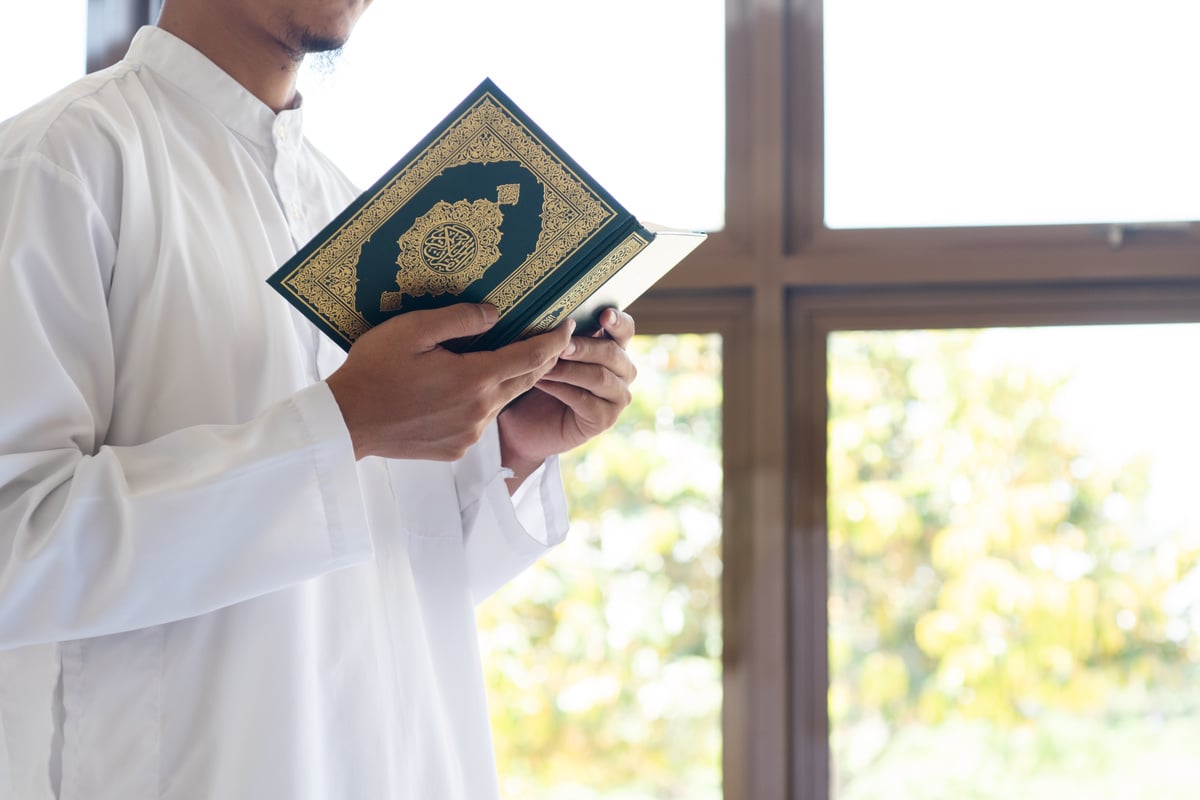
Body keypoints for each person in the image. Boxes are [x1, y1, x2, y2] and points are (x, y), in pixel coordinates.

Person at [0, 0, 638, 797]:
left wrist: (513, 451)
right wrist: (342, 425)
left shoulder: (353, 213)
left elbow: (387, 586)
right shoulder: (54, 167)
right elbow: (15, 549)